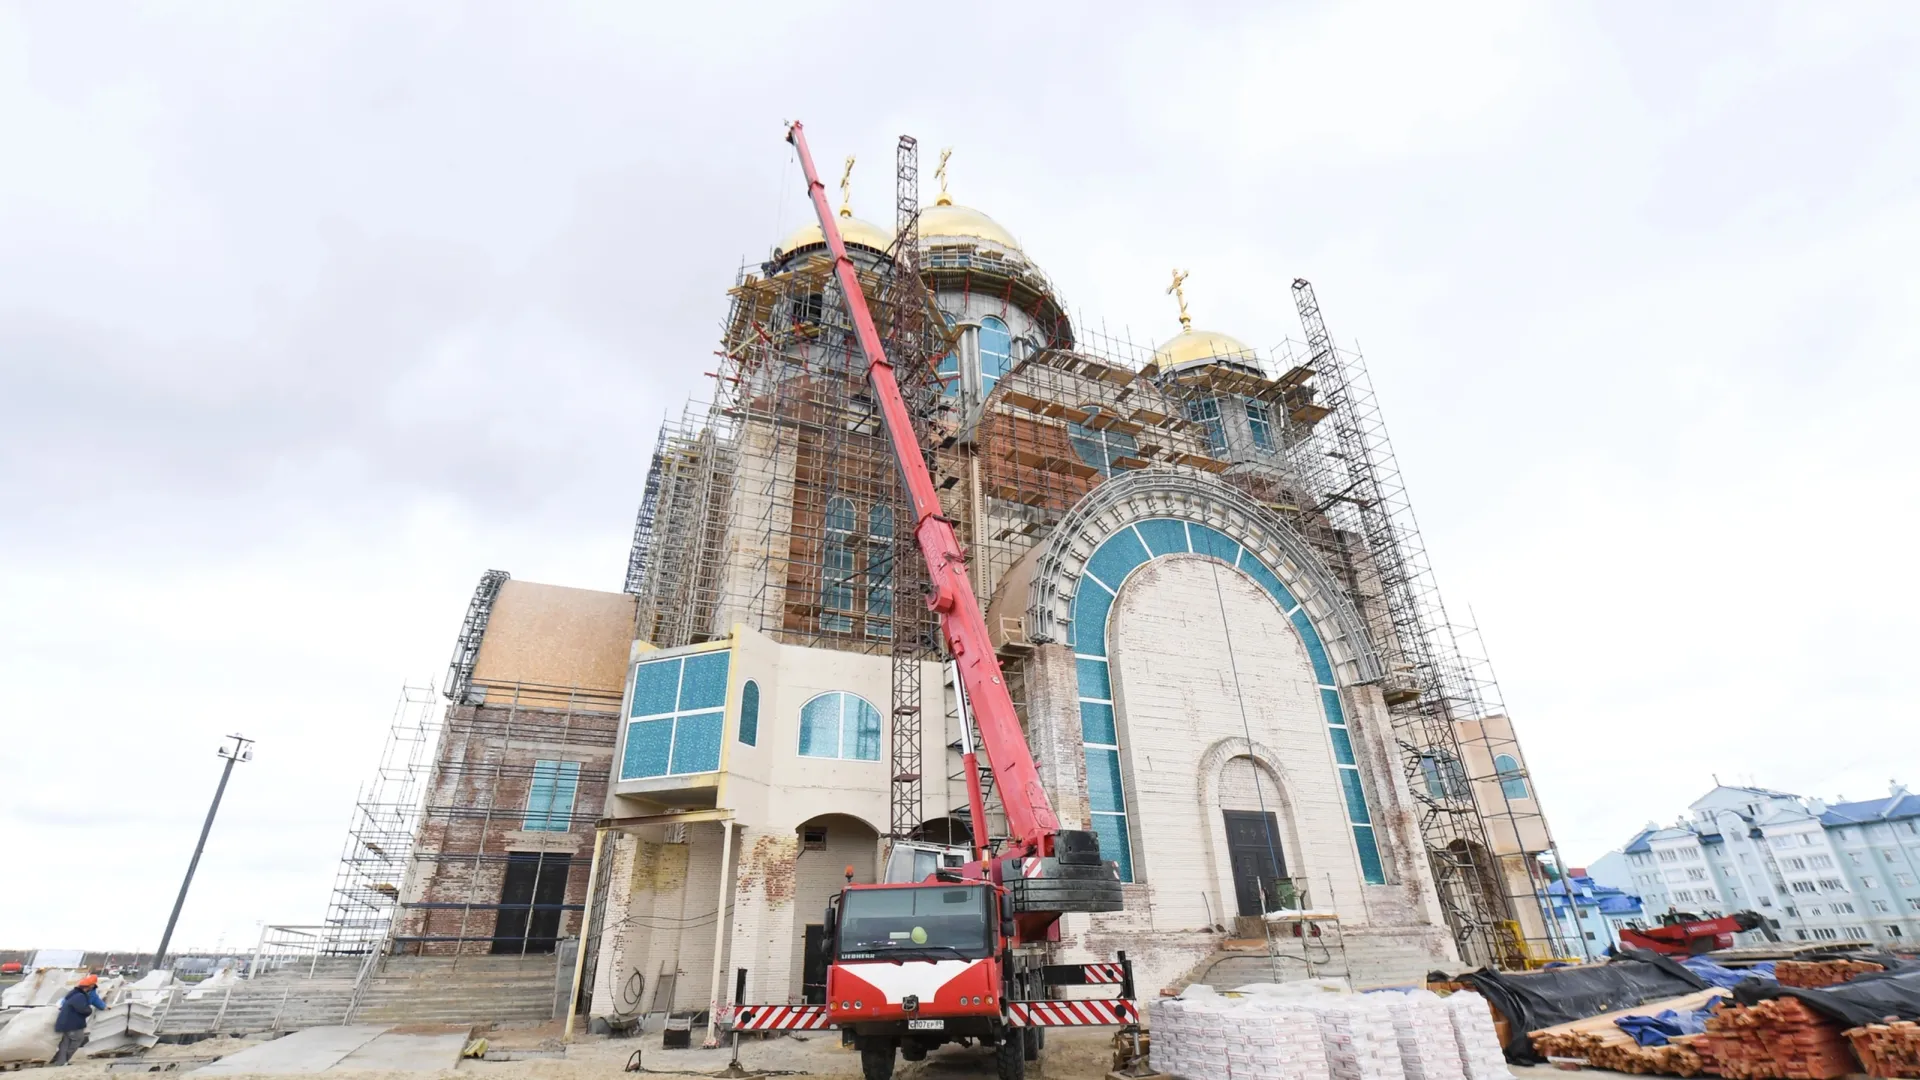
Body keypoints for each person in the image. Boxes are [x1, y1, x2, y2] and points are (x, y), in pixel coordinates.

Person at [51, 974, 106, 1066]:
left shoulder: (73, 994)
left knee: (65, 1042)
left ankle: (60, 1061)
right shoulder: (80, 996)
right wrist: (90, 1010)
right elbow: (84, 1009)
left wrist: (102, 1006)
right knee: (78, 1039)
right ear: (89, 987)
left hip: (64, 1022)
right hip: (73, 1023)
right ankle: (64, 1059)